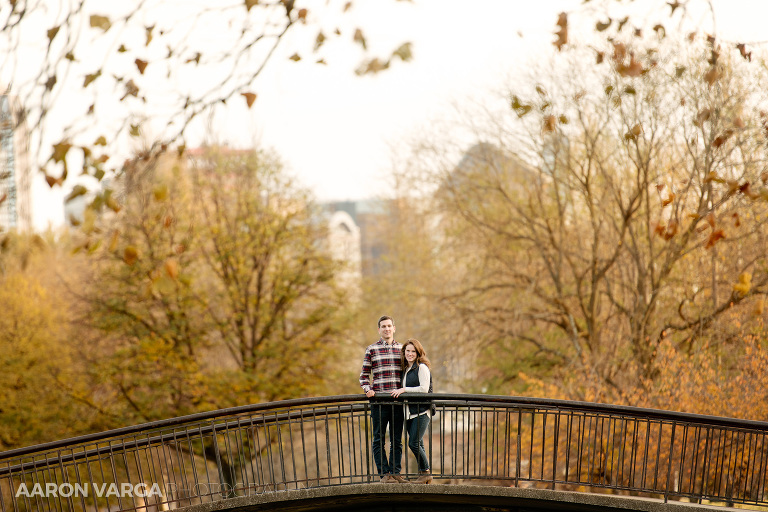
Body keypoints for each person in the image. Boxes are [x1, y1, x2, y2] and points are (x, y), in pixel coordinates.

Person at [359, 315, 405, 483]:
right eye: (383, 326)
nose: (386, 329)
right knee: (378, 439)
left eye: (389, 326)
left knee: (396, 440)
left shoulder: (402, 349)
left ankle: (395, 472)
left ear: (394, 328)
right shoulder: (371, 349)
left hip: (397, 402)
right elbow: (363, 376)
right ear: (379, 330)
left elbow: (408, 375)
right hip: (378, 402)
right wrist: (367, 389)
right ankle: (384, 474)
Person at [391, 338, 433, 484]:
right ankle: (423, 474)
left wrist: (403, 390)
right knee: (418, 443)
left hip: (421, 411)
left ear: (418, 352)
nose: (410, 353)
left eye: (413, 351)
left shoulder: (422, 367)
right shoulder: (406, 369)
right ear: (404, 352)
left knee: (413, 443)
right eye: (407, 351)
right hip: (409, 412)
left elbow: (424, 389)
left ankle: (426, 472)